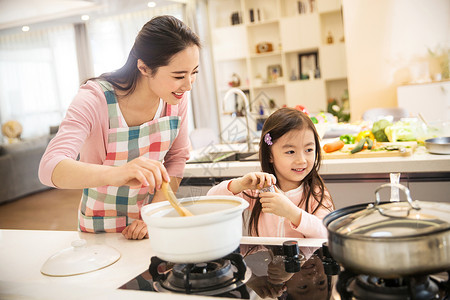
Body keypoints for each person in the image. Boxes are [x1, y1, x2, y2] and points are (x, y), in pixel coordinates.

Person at [39, 15, 200, 240]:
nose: (189, 85)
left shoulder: (175, 97)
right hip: (100, 228)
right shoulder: (95, 98)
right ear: (144, 67)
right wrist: (117, 174)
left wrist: (151, 216)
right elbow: (49, 168)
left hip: (151, 222)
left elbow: (176, 160)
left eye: (194, 73)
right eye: (179, 75)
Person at [207, 107, 334, 238]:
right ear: (270, 155)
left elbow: (327, 233)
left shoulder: (317, 193)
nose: (302, 160)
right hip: (265, 258)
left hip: (306, 259)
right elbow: (212, 200)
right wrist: (239, 185)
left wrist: (292, 213)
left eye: (309, 150)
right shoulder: (259, 189)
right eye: (290, 152)